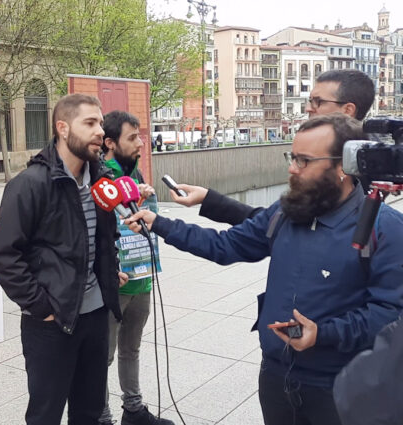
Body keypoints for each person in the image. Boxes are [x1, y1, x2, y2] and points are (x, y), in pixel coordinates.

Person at [124, 114, 403, 425]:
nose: (291, 168)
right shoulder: (284, 213)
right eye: (291, 157)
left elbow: (390, 314)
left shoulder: (384, 228)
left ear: (343, 167)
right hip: (276, 378)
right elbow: (225, 245)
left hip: (338, 386)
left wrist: (323, 334)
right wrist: (161, 224)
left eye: (303, 161)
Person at [0, 93, 128, 425]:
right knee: (45, 415)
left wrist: (112, 269)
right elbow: (4, 256)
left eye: (101, 122)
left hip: (96, 317)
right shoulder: (30, 185)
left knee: (90, 412)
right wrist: (42, 307)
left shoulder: (101, 179)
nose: (100, 131)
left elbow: (104, 236)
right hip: (51, 324)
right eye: (90, 123)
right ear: (63, 128)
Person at [170, 69, 375, 220]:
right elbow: (274, 222)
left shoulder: (374, 172)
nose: (308, 108)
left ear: (348, 110)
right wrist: (208, 199)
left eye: (318, 102)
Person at [98, 111, 173, 425]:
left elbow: (144, 222)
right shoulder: (100, 177)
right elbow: (93, 232)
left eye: (140, 136)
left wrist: (149, 199)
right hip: (114, 285)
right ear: (110, 143)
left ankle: (134, 409)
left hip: (141, 280)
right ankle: (100, 417)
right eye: (132, 138)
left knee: (133, 349)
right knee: (104, 356)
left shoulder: (137, 175)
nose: (141, 143)